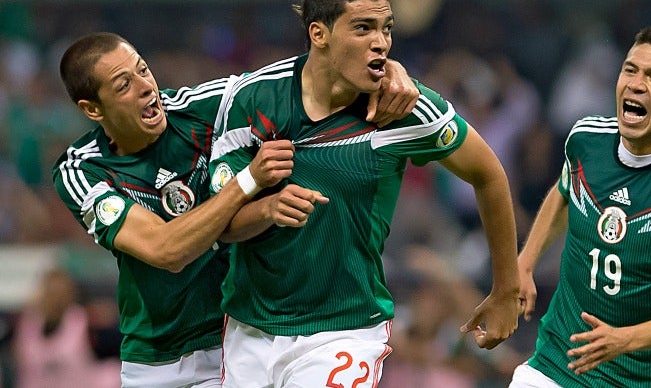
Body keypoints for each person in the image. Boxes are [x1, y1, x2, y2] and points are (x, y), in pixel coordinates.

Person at [209, 0, 521, 387]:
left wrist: (506, 289)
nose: (381, 44)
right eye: (363, 29)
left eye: (387, 28)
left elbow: (489, 174)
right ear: (319, 33)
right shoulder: (252, 99)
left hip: (344, 332)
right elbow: (219, 223)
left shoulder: (406, 107)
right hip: (250, 329)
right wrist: (267, 209)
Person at [51, 32, 419, 387]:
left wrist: (383, 70)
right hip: (152, 359)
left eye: (142, 69)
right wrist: (247, 181)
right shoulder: (81, 170)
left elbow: (299, 78)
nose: (146, 86)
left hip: (234, 344)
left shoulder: (204, 107)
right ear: (92, 109)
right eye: (123, 85)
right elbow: (166, 250)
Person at [510, 24, 651, 388]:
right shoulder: (586, 139)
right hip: (556, 364)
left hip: (643, 381)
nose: (636, 83)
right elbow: (565, 193)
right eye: (630, 69)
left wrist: (624, 339)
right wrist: (525, 262)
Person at [12, 268, 120, 388]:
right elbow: (25, 360)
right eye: (52, 291)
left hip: (78, 383)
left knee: (113, 373)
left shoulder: (79, 319)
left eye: (60, 291)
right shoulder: (30, 321)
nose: (56, 298)